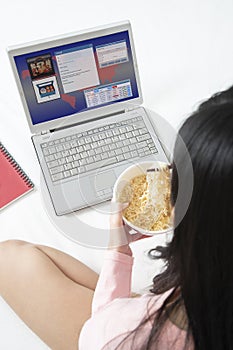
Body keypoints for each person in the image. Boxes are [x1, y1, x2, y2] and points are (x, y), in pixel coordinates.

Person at [0, 85, 233, 350]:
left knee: (8, 256)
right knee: (36, 254)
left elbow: (101, 330)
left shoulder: (126, 333)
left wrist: (118, 254)